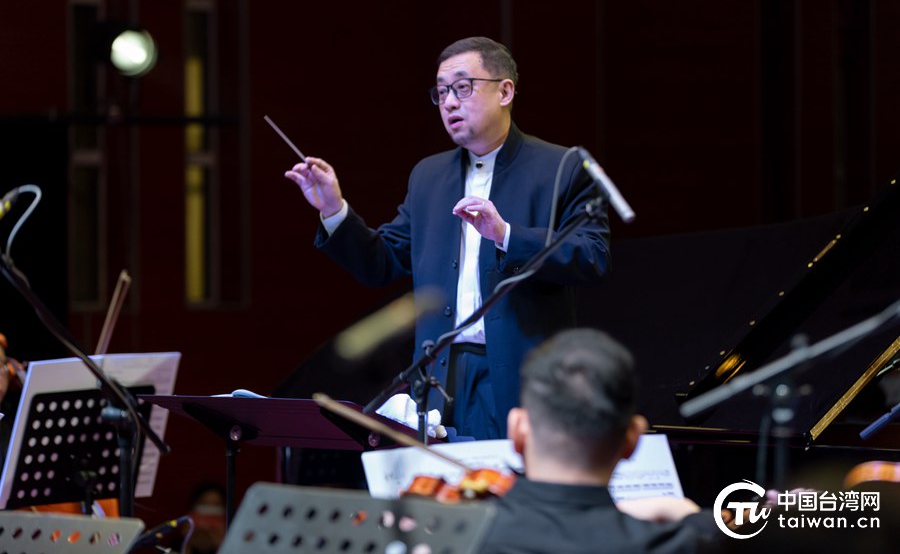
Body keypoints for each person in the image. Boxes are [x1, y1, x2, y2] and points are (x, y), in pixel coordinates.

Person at [285, 37, 610, 440]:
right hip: (440, 378)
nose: (450, 103)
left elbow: (593, 256)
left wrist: (505, 234)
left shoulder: (560, 166)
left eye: (462, 87)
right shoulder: (429, 176)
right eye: (441, 93)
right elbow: (381, 262)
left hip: (524, 378)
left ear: (505, 91)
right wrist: (334, 209)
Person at [478, 328, 721, 553]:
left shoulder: (465, 534)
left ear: (517, 429)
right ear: (633, 438)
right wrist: (685, 513)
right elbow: (722, 537)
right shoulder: (677, 545)